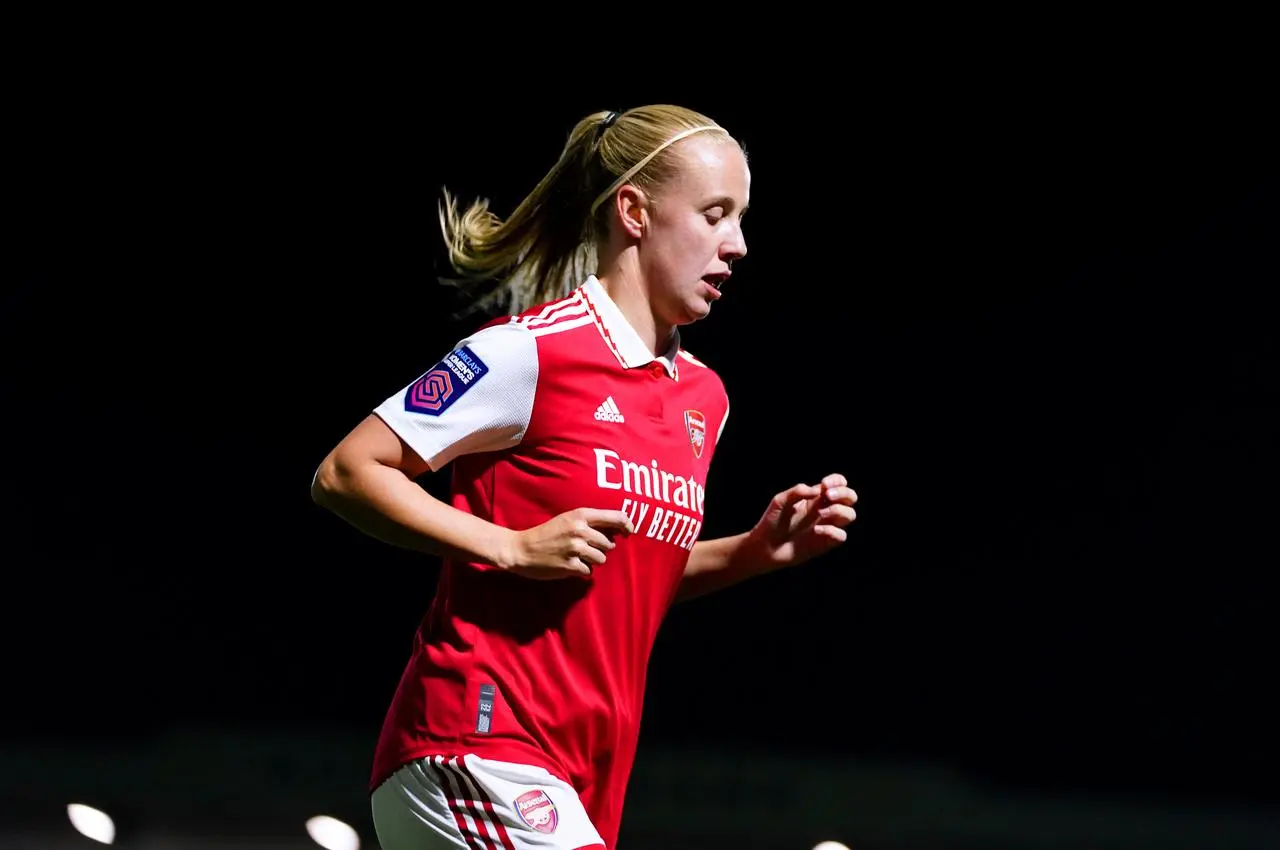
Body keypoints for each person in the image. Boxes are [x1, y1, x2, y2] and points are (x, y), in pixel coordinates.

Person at [310, 104, 858, 850]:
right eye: (714, 215)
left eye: (739, 220)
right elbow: (348, 472)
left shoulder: (705, 398)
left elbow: (626, 572)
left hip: (585, 771)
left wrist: (756, 552)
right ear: (634, 212)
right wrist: (508, 546)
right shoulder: (528, 354)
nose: (738, 245)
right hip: (473, 746)